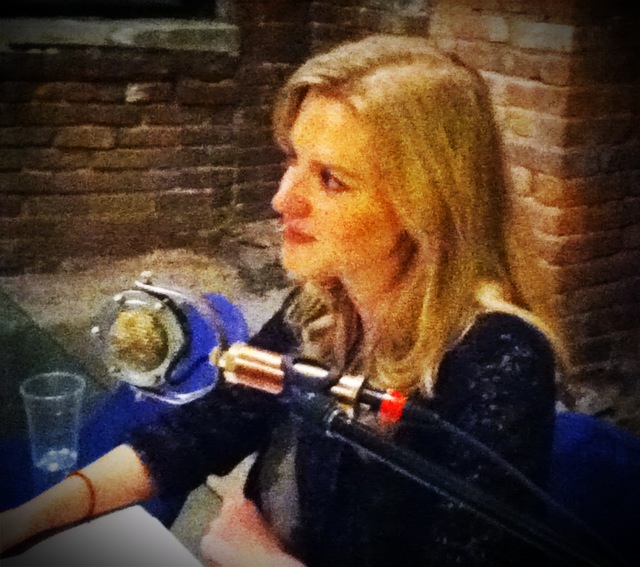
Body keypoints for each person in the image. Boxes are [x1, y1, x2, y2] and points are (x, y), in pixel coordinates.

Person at [0, 35, 559, 566]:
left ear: (426, 206)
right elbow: (205, 428)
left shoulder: (500, 356)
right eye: (293, 159)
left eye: (331, 179)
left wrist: (258, 560)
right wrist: (27, 522)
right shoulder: (320, 305)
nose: (282, 199)